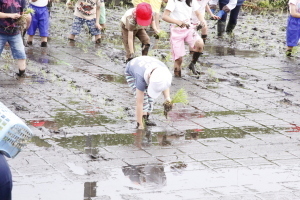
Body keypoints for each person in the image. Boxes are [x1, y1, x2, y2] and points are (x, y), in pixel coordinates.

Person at [125, 56, 172, 129]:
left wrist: (167, 98)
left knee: (150, 99)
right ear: (149, 77)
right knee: (144, 101)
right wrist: (139, 124)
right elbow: (139, 102)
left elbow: (164, 85)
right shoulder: (140, 76)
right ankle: (142, 118)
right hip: (132, 71)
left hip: (148, 68)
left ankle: (146, 117)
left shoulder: (163, 71)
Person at [162, 0, 205, 77]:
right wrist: (177, 22)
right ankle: (178, 79)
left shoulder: (191, 1)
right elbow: (164, 16)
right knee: (178, 59)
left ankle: (192, 64)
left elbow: (198, 13)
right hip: (176, 31)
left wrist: (202, 21)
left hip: (188, 28)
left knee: (200, 43)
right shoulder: (173, 1)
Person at [0, 0, 31, 77]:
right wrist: (10, 15)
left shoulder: (21, 0)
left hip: (15, 32)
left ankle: (22, 73)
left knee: (21, 53)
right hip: (1, 31)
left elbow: (25, 13)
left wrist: (25, 16)